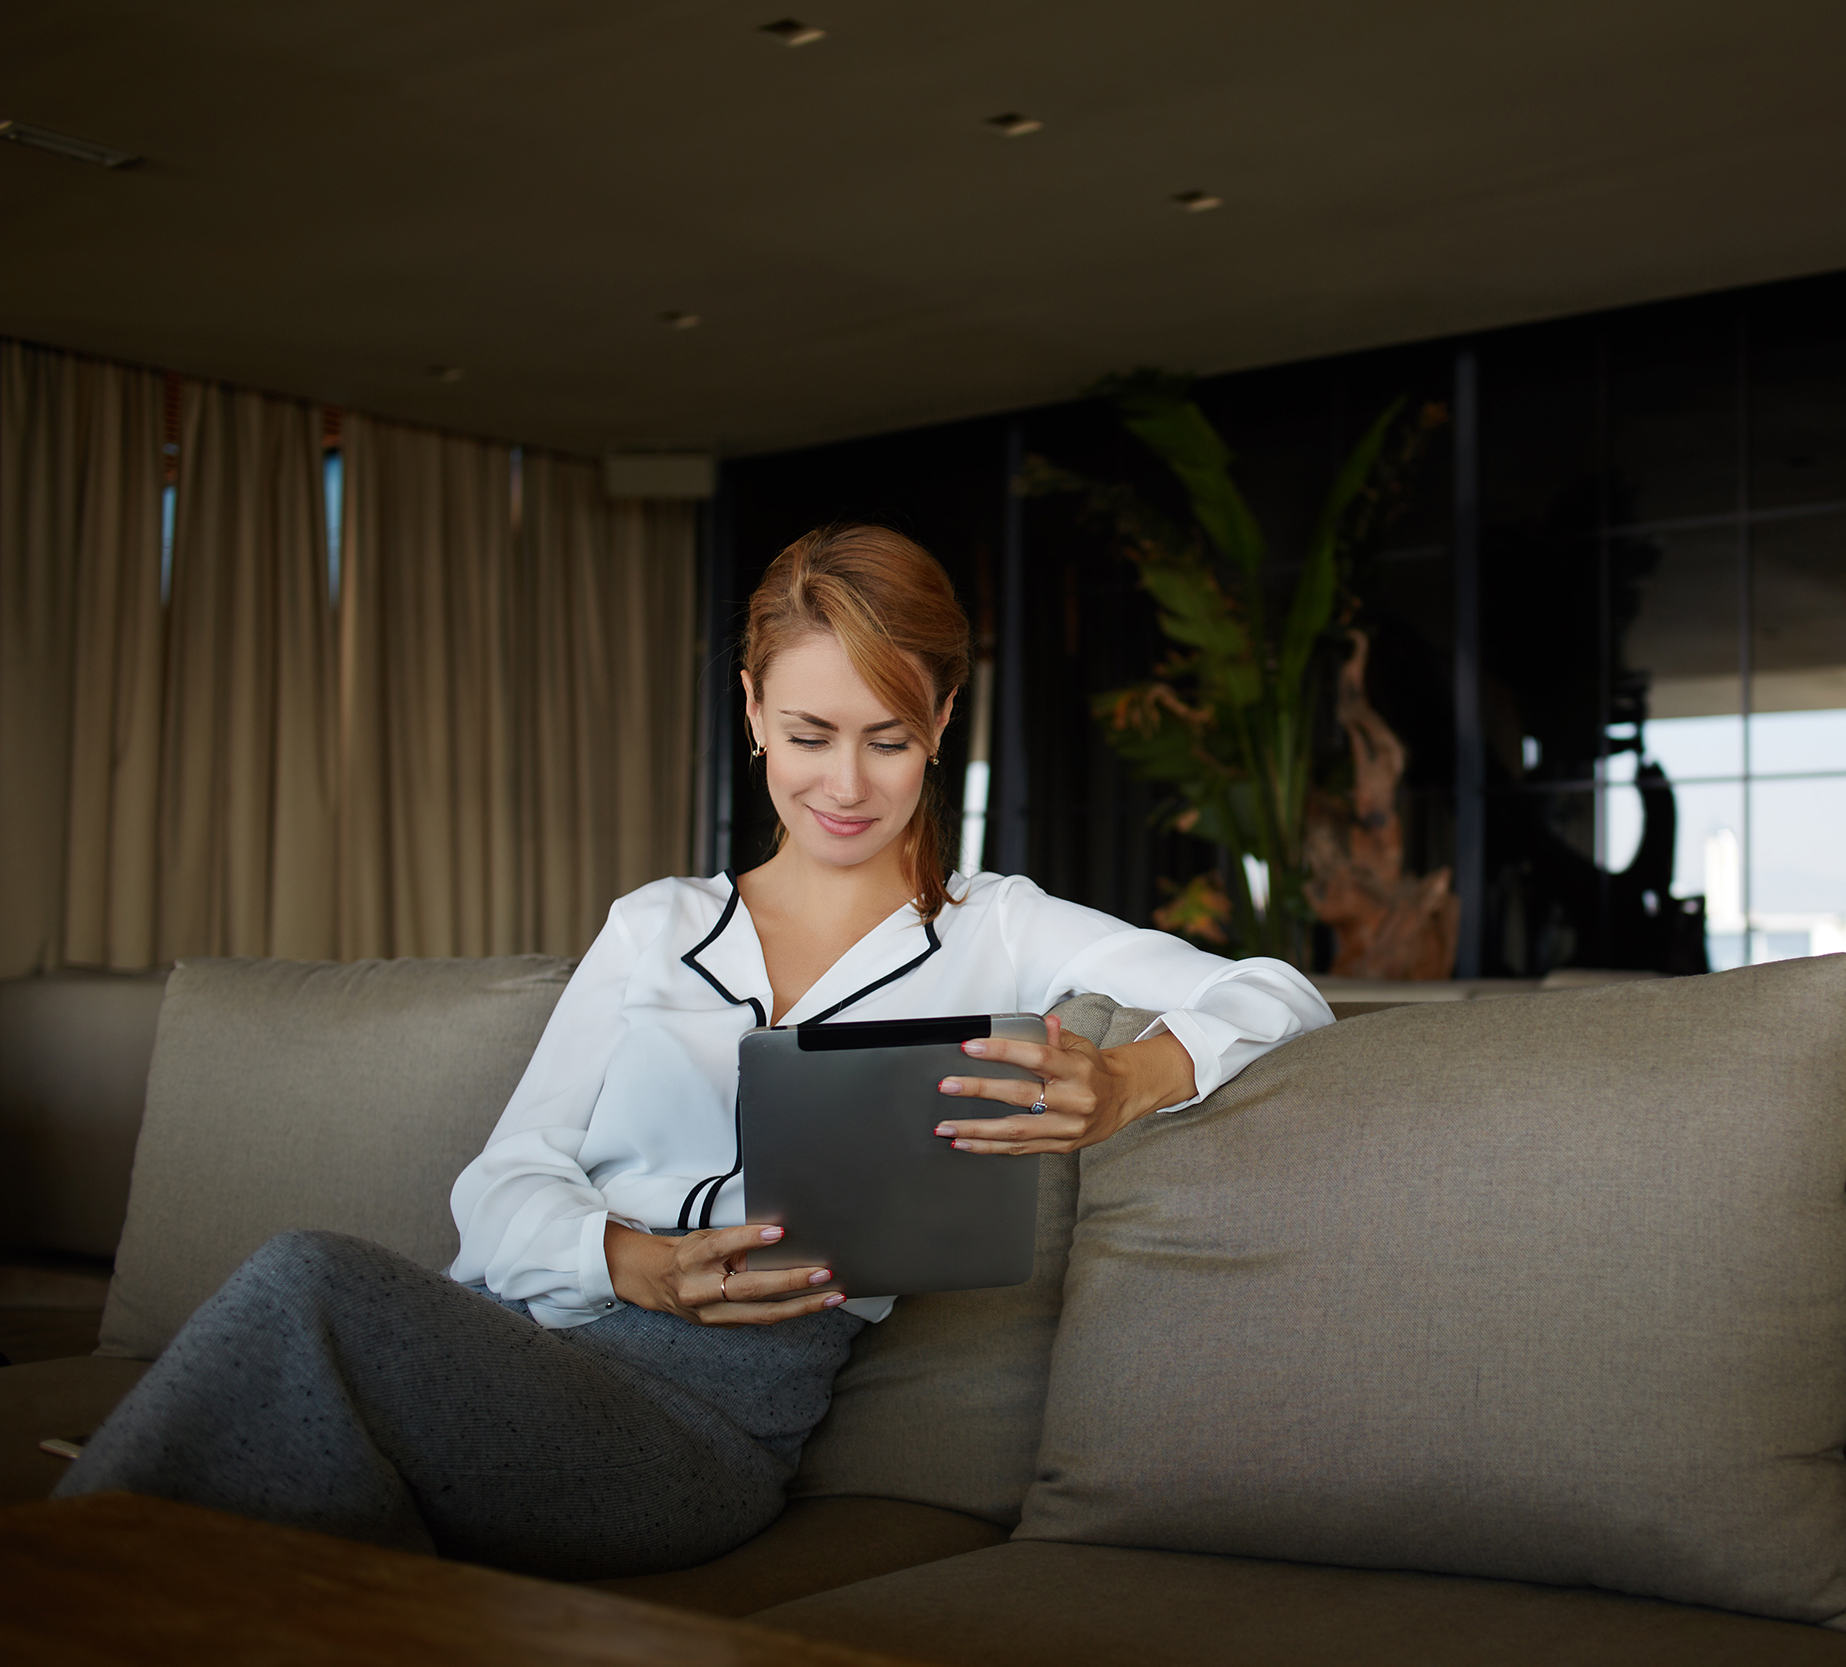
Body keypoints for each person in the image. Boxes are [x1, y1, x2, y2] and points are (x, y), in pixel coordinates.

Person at [55, 524, 1331, 1578]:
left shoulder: (997, 926)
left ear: (943, 720)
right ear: (751, 712)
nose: (844, 783)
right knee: (278, 1466)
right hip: (520, 1337)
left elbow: (1275, 989)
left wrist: (1132, 1078)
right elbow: (501, 1184)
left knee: (301, 1282)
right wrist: (634, 1260)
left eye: (888, 737)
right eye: (807, 732)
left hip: (697, 1426)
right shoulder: (655, 926)